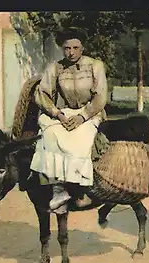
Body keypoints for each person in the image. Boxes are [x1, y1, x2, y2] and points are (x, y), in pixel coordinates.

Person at [30, 27, 108, 212]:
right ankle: (57, 189)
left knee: (80, 138)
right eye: (67, 48)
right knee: (48, 135)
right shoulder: (56, 68)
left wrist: (82, 117)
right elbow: (42, 94)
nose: (71, 52)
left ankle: (79, 189)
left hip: (90, 113)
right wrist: (57, 114)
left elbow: (100, 97)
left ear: (83, 48)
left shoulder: (95, 66)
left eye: (75, 47)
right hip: (65, 113)